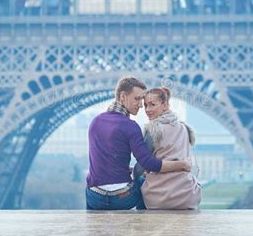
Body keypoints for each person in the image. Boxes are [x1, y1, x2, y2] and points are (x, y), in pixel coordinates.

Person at [85, 77, 192, 210]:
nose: (141, 105)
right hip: (122, 198)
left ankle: (93, 227)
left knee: (91, 193)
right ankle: (143, 227)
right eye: (137, 99)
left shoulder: (95, 121)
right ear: (123, 96)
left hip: (95, 197)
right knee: (144, 183)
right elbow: (148, 163)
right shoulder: (131, 126)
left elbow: (102, 158)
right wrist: (182, 164)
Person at [138, 87, 202, 209]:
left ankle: (141, 224)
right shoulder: (184, 129)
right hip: (187, 195)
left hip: (159, 197)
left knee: (137, 182)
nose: (147, 109)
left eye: (152, 105)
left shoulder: (153, 130)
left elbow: (141, 167)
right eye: (145, 105)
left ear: (165, 105)